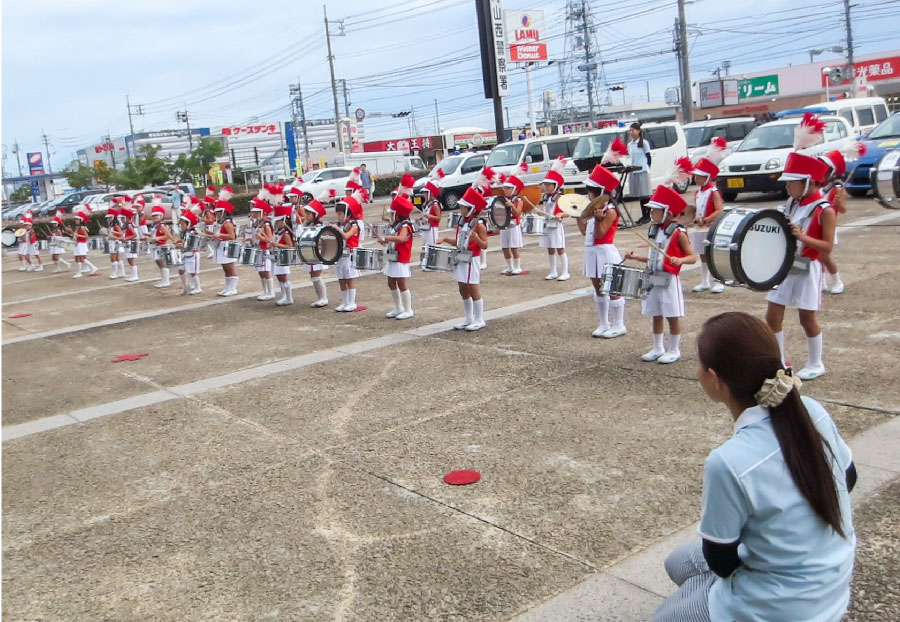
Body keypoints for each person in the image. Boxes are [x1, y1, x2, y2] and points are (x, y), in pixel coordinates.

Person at [653, 311, 856, 622]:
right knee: (678, 563)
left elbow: (721, 561)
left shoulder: (728, 462)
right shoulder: (810, 411)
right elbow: (849, 476)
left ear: (714, 378)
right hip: (830, 586)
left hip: (779, 609)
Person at [765, 152, 835, 381]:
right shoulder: (791, 203)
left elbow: (827, 247)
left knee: (807, 319)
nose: (787, 186)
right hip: (785, 266)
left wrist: (803, 237)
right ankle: (779, 360)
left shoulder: (824, 209)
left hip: (808, 268)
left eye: (791, 182)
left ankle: (816, 362)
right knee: (772, 316)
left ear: (808, 182)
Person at [624, 184, 697, 363]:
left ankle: (674, 349)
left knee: (672, 315)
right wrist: (636, 258)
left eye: (656, 210)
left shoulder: (679, 233)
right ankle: (658, 347)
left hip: (669, 279)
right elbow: (654, 258)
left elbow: (693, 257)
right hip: (653, 277)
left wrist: (680, 261)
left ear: (668, 212)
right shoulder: (655, 230)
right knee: (655, 313)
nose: (652, 214)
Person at [577, 164, 626, 338]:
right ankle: (604, 323)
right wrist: (579, 217)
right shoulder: (594, 210)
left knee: (612, 290)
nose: (588, 194)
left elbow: (600, 233)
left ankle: (618, 324)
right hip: (592, 252)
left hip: (605, 252)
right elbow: (586, 233)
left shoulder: (610, 211)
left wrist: (598, 219)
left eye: (590, 191)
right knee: (598, 290)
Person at [436, 187, 488, 331]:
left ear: (471, 208)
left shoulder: (479, 225)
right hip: (461, 258)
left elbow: (484, 245)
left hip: (472, 259)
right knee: (462, 288)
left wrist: (477, 239)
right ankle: (468, 318)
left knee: (473, 288)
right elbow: (459, 242)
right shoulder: (462, 222)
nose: (460, 209)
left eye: (463, 207)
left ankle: (479, 319)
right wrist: (445, 239)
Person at [817, 144, 862, 295]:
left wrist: (838, 202)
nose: (821, 170)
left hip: (828, 226)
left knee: (824, 256)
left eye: (824, 167)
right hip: (816, 224)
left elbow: (843, 210)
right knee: (816, 255)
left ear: (832, 171)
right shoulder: (818, 186)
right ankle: (821, 281)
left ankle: (837, 281)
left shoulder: (837, 188)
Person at [377, 194, 416, 320]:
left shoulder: (405, 226)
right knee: (391, 282)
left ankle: (408, 309)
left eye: (393, 213)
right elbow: (394, 239)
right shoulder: (398, 225)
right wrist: (385, 241)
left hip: (401, 258)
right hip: (393, 256)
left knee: (401, 283)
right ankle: (398, 307)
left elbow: (401, 238)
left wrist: (386, 238)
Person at [690, 157, 725, 294]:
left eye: (698, 176)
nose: (695, 178)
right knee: (702, 254)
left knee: (712, 254)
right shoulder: (698, 193)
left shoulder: (713, 192)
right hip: (700, 227)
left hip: (710, 227)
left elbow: (719, 210)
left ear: (706, 177)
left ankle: (717, 282)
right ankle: (705, 282)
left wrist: (706, 219)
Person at [298, 189, 337, 309]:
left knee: (316, 275)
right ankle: (320, 297)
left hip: (317, 254)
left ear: (315, 215)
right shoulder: (306, 226)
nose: (306, 216)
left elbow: (322, 240)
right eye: (305, 213)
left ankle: (323, 297)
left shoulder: (319, 226)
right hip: (310, 254)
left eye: (308, 214)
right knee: (313, 276)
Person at [535, 157, 571, 281]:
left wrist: (561, 215)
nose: (546, 187)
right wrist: (542, 213)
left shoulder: (560, 197)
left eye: (549, 185)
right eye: (545, 184)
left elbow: (568, 212)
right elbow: (546, 210)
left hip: (556, 226)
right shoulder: (545, 197)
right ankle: (553, 271)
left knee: (560, 248)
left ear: (555, 185)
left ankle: (565, 271)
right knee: (550, 248)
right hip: (547, 225)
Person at [211, 187, 239, 296]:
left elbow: (232, 236)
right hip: (221, 245)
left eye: (218, 212)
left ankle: (233, 288)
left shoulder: (227, 222)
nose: (216, 214)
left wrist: (220, 235)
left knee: (230, 268)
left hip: (227, 246)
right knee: (225, 268)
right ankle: (228, 287)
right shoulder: (221, 222)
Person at [498, 164, 526, 275]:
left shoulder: (518, 200)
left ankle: (517, 266)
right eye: (504, 188)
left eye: (508, 188)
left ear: (514, 189)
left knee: (514, 247)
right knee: (504, 247)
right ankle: (509, 266)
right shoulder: (503, 199)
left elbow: (517, 213)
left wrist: (511, 205)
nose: (505, 190)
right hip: (504, 225)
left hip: (514, 225)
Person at [248, 198, 276, 301]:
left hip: (264, 250)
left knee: (266, 271)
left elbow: (270, 240)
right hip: (258, 249)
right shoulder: (258, 223)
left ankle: (271, 292)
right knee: (260, 271)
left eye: (256, 212)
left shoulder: (266, 225)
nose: (254, 214)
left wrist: (261, 238)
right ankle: (265, 291)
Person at [270, 204, 296, 306]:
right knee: (279, 277)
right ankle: (284, 296)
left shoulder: (285, 234)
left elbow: (290, 246)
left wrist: (278, 245)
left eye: (278, 221)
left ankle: (289, 297)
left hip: (284, 257)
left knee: (284, 277)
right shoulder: (278, 232)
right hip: (278, 256)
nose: (276, 223)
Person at [628, 122, 653, 224]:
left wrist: (646, 167)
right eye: (630, 130)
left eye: (633, 130)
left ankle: (648, 215)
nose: (631, 132)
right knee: (640, 195)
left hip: (642, 170)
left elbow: (648, 157)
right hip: (635, 170)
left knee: (645, 195)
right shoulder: (630, 144)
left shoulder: (644, 143)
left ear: (638, 131)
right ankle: (643, 215)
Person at [174, 210, 203, 295]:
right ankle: (185, 286)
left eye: (182, 224)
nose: (181, 225)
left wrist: (181, 245)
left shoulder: (193, 233)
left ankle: (198, 287)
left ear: (189, 224)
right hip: (184, 253)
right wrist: (178, 242)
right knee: (181, 270)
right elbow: (183, 241)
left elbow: (191, 245)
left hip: (192, 254)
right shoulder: (184, 232)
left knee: (193, 272)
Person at [419, 174, 443, 268]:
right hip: (426, 228)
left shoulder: (435, 205)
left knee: (432, 246)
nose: (424, 195)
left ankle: (433, 263)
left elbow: (439, 218)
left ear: (431, 194)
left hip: (432, 228)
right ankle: (425, 262)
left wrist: (430, 216)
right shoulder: (428, 204)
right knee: (425, 246)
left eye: (425, 193)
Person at [148, 198, 172, 288]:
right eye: (153, 216)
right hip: (156, 246)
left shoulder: (162, 225)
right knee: (159, 263)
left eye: (156, 216)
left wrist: (158, 238)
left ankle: (166, 281)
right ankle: (163, 280)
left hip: (161, 246)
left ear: (161, 216)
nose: (155, 218)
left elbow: (168, 236)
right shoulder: (155, 226)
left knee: (162, 263)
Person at [117, 204, 140, 282]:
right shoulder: (127, 224)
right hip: (129, 243)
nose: (122, 219)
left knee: (131, 260)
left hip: (131, 243)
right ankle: (133, 275)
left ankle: (135, 275)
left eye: (123, 217)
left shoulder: (129, 225)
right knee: (129, 259)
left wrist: (125, 238)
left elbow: (135, 235)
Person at [71, 210, 97, 278]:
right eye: (75, 219)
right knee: (77, 258)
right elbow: (75, 236)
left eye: (77, 219)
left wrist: (78, 236)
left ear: (80, 220)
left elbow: (86, 236)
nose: (76, 221)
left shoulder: (82, 227)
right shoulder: (77, 228)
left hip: (81, 244)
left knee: (81, 258)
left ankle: (92, 267)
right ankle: (80, 272)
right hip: (77, 243)